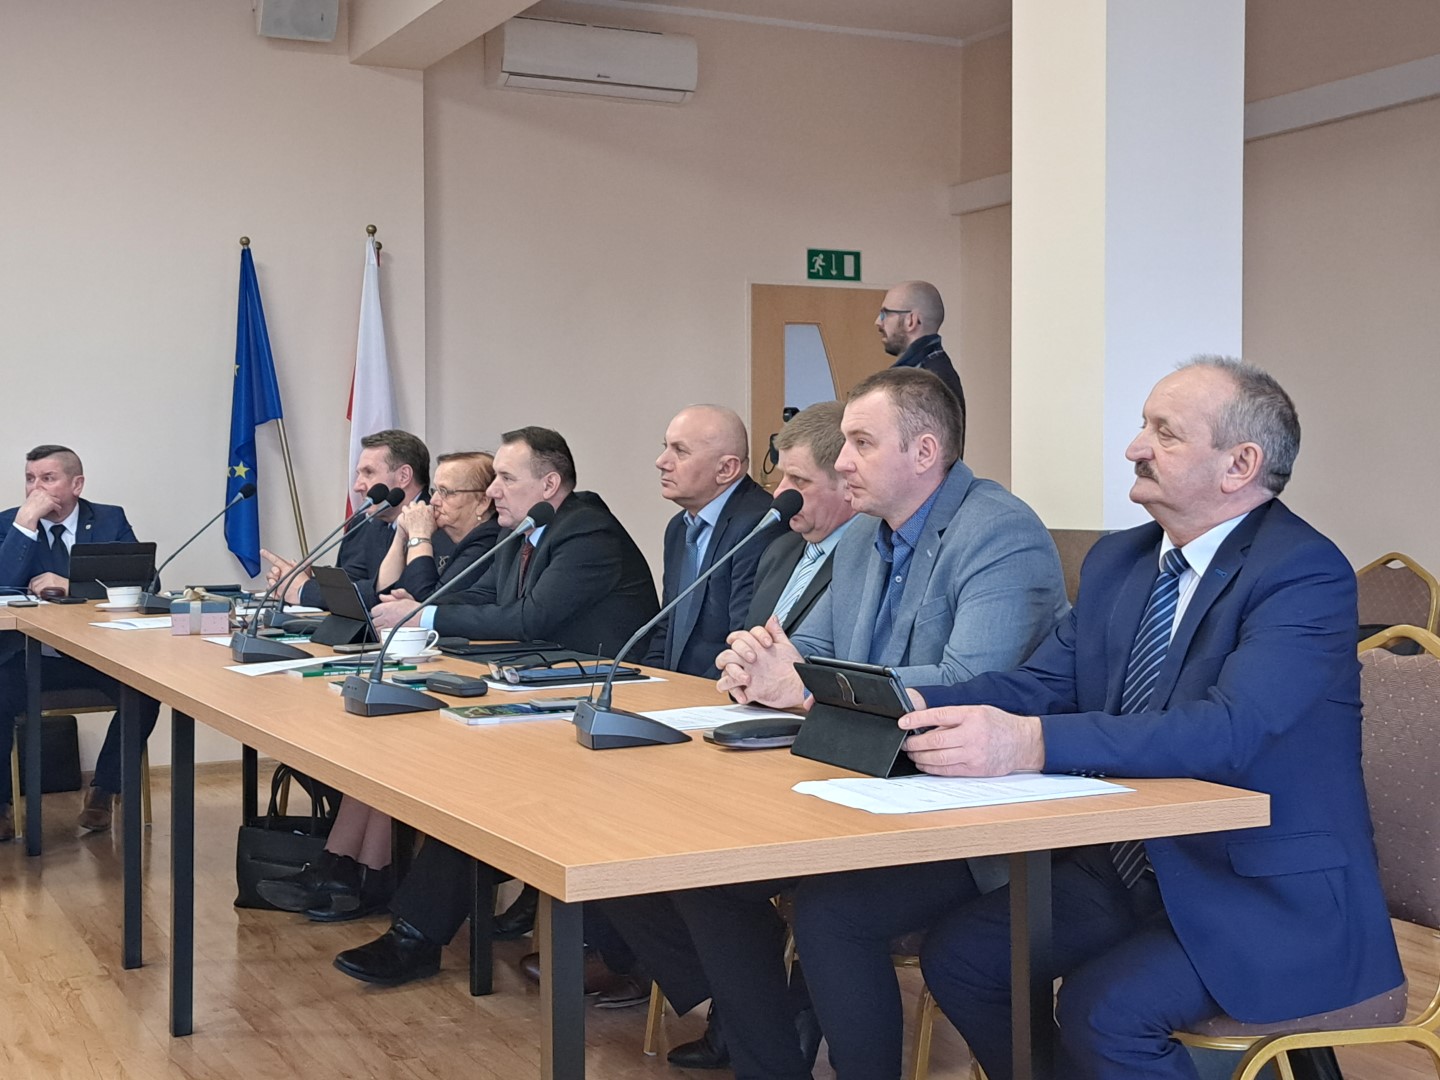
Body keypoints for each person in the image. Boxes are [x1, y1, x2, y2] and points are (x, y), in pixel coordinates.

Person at [803, 358, 1401, 1080]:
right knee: (965, 959)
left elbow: (1227, 730)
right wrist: (911, 705)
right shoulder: (1122, 560)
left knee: (1104, 1012)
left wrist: (1029, 744)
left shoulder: (1304, 572)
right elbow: (1042, 685)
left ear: (1240, 465)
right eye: (1144, 426)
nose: (1134, 447)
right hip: (1131, 863)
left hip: (1261, 890)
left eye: (1164, 433)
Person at [606, 374, 1066, 1079]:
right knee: (705, 868)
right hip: (861, 778)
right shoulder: (861, 537)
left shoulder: (1000, 531)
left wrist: (802, 684)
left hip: (968, 808)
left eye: (860, 443)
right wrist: (760, 662)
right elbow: (809, 653)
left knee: (832, 913)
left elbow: (974, 681)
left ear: (924, 452)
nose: (842, 462)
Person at [335, 426, 659, 986]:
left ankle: (416, 937)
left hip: (612, 712)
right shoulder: (527, 529)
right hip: (551, 696)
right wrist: (423, 604)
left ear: (549, 484)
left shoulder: (587, 531)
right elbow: (484, 599)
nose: (493, 491)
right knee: (465, 781)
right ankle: (418, 930)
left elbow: (531, 618)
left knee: (480, 788)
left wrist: (426, 615)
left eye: (506, 478)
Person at [255, 451, 500, 921]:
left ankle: (362, 872)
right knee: (374, 744)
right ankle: (345, 866)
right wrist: (407, 535)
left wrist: (418, 538)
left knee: (389, 747)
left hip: (471, 684)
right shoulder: (441, 536)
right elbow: (393, 593)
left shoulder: (485, 541)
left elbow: (424, 599)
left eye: (448, 492)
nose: (435, 501)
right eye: (436, 491)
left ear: (482, 503)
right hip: (440, 672)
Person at [0, 445, 163, 838]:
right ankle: (1, 805)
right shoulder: (10, 522)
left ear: (77, 484)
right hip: (29, 657)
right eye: (30, 479)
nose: (36, 488)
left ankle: (104, 789)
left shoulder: (108, 520)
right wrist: (26, 524)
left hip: (95, 655)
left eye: (48, 478)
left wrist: (71, 584)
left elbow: (146, 585)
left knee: (145, 693)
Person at [643, 405, 775, 679]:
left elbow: (743, 640)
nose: (661, 461)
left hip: (717, 690)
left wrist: (687, 693)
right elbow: (667, 627)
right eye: (666, 447)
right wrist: (648, 682)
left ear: (726, 469)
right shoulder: (679, 528)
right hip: (676, 689)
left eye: (680, 451)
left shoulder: (758, 525)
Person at [261, 429, 442, 611]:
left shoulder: (439, 524)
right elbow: (350, 583)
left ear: (403, 476)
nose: (357, 486)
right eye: (358, 474)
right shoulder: (364, 523)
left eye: (368, 473)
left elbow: (389, 594)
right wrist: (301, 581)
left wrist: (304, 591)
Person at [876, 280, 965, 453]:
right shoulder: (933, 369)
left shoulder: (924, 381)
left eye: (885, 314)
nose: (878, 322)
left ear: (911, 320)